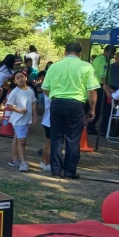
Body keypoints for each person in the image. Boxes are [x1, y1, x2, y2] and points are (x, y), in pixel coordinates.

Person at [42, 42, 99, 179]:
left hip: (57, 103)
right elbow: (92, 91)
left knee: (56, 138)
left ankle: (55, 170)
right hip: (76, 104)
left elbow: (44, 87)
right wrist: (92, 109)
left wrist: (55, 97)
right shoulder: (86, 66)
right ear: (80, 54)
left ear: (64, 52)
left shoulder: (54, 66)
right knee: (73, 139)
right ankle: (69, 171)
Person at [5, 71, 37, 172]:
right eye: (17, 78)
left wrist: (34, 116)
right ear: (14, 81)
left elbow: (33, 103)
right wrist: (19, 111)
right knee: (22, 141)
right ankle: (23, 162)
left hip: (26, 120)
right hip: (18, 120)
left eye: (22, 77)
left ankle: (14, 159)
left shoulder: (30, 91)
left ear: (26, 78)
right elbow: (9, 105)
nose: (20, 79)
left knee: (18, 139)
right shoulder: (15, 91)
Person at [88, 45, 112, 135]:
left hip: (95, 85)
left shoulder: (97, 59)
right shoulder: (103, 61)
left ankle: (90, 127)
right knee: (103, 109)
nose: (113, 56)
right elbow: (103, 77)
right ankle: (101, 129)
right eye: (112, 53)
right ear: (108, 51)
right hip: (101, 87)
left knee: (96, 108)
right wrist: (108, 90)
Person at [36, 70, 52, 172]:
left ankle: (43, 162)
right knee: (50, 143)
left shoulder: (47, 90)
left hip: (47, 120)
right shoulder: (50, 91)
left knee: (47, 143)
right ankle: (47, 163)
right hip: (51, 120)